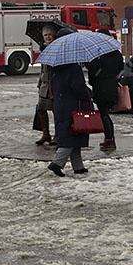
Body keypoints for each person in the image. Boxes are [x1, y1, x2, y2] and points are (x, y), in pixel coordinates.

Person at [47, 27, 91, 176]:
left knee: (74, 134)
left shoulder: (55, 65)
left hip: (61, 105)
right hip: (73, 106)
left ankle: (78, 166)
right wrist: (88, 93)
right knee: (71, 136)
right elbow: (78, 88)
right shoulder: (73, 67)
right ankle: (57, 163)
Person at [86, 30, 124, 151]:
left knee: (104, 115)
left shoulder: (99, 55)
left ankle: (109, 139)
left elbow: (93, 72)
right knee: (105, 114)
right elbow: (121, 69)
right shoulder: (116, 54)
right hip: (112, 87)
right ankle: (109, 139)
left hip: (101, 88)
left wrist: (89, 65)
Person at [34, 26, 57, 146]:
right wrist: (39, 83)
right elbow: (42, 69)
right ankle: (45, 133)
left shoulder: (58, 48)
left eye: (50, 35)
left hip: (54, 85)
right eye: (45, 35)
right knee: (41, 109)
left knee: (56, 110)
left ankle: (57, 135)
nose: (48, 37)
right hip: (44, 85)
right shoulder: (43, 49)